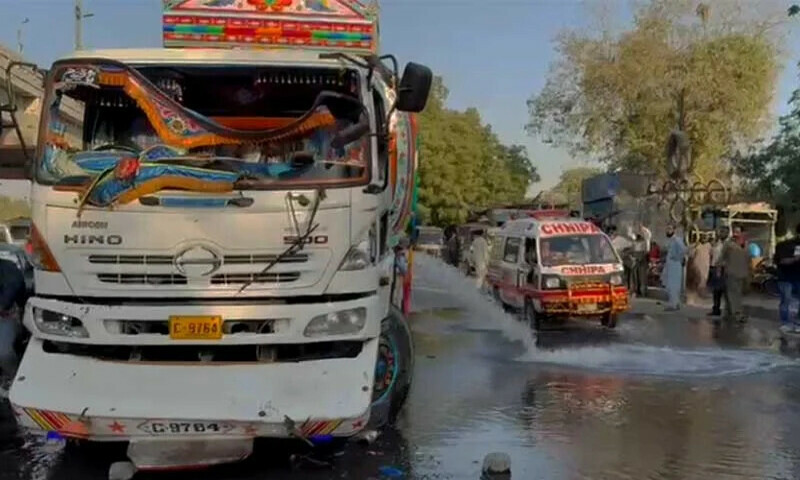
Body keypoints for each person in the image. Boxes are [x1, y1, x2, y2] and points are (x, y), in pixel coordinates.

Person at [0, 258, 25, 381]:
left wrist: (3, 304)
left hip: (7, 316)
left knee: (4, 353)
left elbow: (10, 292)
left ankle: (14, 378)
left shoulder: (8, 268)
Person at [773, 224, 800, 333]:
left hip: (793, 277)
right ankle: (787, 323)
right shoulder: (784, 245)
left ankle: (794, 323)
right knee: (786, 301)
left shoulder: (783, 244)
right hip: (786, 277)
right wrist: (795, 259)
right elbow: (781, 261)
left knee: (788, 301)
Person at [721, 226, 750, 323]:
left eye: (738, 231)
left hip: (743, 273)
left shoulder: (745, 244)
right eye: (734, 231)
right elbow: (722, 257)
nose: (735, 233)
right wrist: (719, 267)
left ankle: (729, 313)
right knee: (733, 294)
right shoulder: (729, 244)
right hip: (731, 272)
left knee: (737, 294)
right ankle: (737, 314)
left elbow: (748, 259)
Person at [661, 224, 687, 311]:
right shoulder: (670, 240)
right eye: (667, 229)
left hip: (675, 265)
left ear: (674, 230)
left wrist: (676, 257)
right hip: (670, 265)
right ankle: (675, 303)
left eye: (670, 229)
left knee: (673, 285)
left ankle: (673, 304)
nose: (668, 231)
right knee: (669, 284)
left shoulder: (677, 240)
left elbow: (683, 250)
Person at [708, 227, 728, 317]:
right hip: (714, 267)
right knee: (716, 291)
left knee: (725, 290)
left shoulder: (728, 244)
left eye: (723, 232)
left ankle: (728, 310)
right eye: (720, 232)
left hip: (724, 269)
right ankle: (716, 309)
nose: (721, 234)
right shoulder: (717, 243)